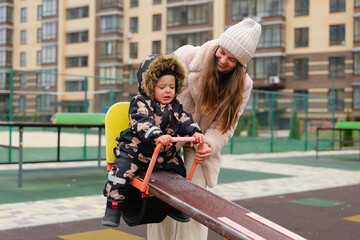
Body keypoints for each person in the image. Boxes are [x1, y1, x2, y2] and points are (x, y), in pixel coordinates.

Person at [147, 18, 262, 240]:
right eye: (223, 52)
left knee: (195, 196)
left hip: (199, 138)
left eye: (232, 59)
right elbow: (154, 89)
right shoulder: (187, 56)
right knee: (162, 193)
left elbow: (226, 124)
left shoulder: (243, 84)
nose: (223, 59)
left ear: (241, 64)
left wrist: (210, 144)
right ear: (220, 43)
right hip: (167, 135)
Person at [102, 54, 205, 227]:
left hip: (162, 156)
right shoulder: (140, 103)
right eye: (162, 86)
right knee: (119, 175)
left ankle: (174, 204)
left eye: (172, 86)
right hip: (136, 152)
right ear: (150, 86)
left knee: (178, 172)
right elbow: (142, 122)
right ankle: (113, 207)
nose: (168, 91)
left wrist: (195, 132)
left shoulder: (176, 106)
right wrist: (157, 134)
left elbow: (185, 120)